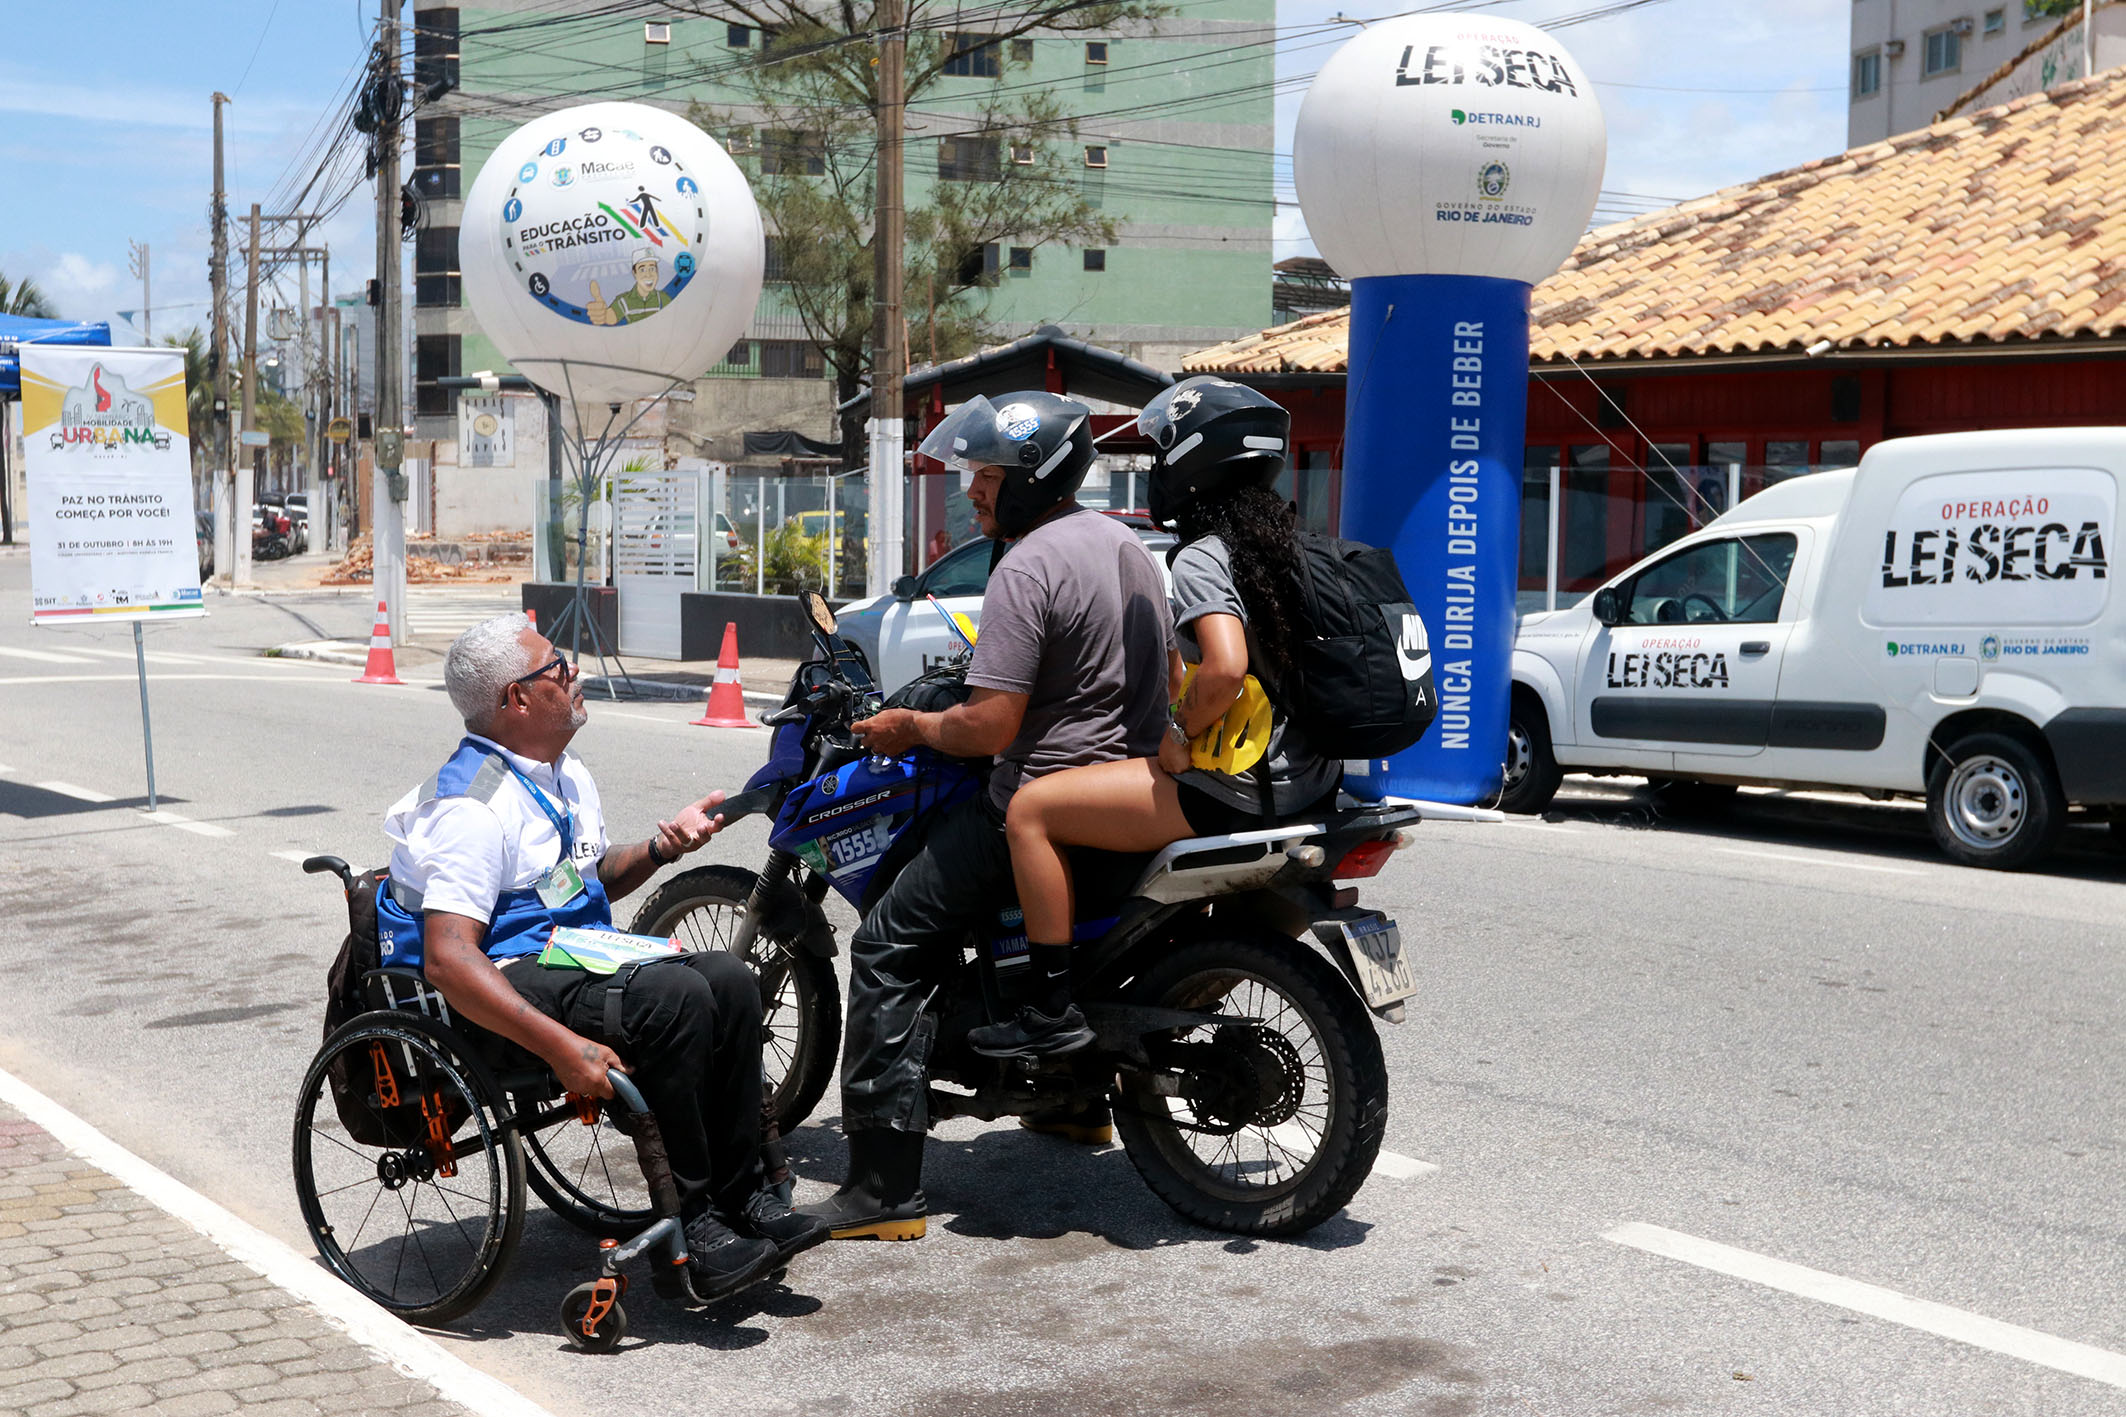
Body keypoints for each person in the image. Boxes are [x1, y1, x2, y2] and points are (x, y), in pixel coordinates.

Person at [794, 391, 1175, 1241]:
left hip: (1040, 794)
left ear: (1033, 481)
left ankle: (883, 1189)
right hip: (1127, 792)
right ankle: (1073, 1108)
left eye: (988, 477)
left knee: (888, 943)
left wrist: (912, 725)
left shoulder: (1026, 566)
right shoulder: (1125, 544)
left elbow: (991, 725)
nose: (974, 493)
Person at [375, 613, 826, 1302]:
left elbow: (578, 882)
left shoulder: (562, 772)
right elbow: (448, 958)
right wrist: (562, 1047)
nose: (574, 673)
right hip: (505, 976)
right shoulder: (470, 807)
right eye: (557, 668)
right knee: (673, 1001)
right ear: (515, 700)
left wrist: (661, 847)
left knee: (729, 979)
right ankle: (695, 1232)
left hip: (575, 951)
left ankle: (746, 1199)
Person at [998, 378, 1344, 1067]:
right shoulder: (1288, 547)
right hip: (1308, 785)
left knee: (1030, 811)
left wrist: (1178, 736)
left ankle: (1050, 1009)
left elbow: (1222, 667)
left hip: (1234, 787)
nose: (1158, 471)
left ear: (1192, 462)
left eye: (1162, 456)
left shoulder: (1205, 553)